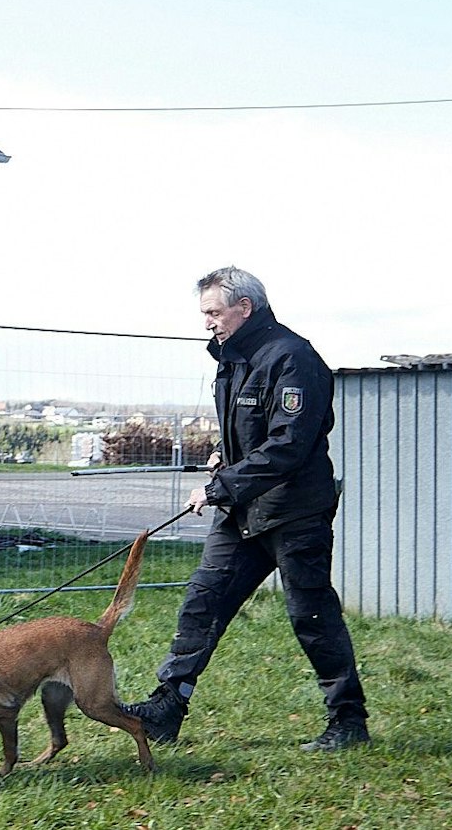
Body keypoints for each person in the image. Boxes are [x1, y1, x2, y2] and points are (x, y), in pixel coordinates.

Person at [125, 267, 370, 752]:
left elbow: (289, 445)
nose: (208, 323)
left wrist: (221, 486)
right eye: (205, 314)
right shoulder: (234, 357)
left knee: (312, 615)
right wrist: (224, 452)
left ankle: (348, 722)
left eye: (214, 312)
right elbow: (249, 427)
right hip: (242, 511)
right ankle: (167, 706)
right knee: (204, 601)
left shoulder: (293, 358)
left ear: (245, 307)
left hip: (294, 512)